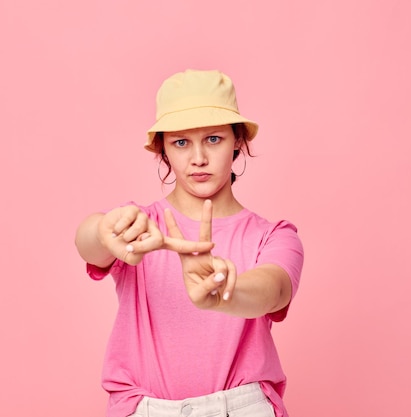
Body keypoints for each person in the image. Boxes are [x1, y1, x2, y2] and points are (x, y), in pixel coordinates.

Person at [75, 69, 304, 417]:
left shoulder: (275, 235)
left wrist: (227, 291)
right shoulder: (140, 226)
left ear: (237, 141)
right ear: (163, 149)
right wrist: (103, 229)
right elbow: (90, 242)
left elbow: (273, 289)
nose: (198, 158)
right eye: (181, 142)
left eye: (213, 139)